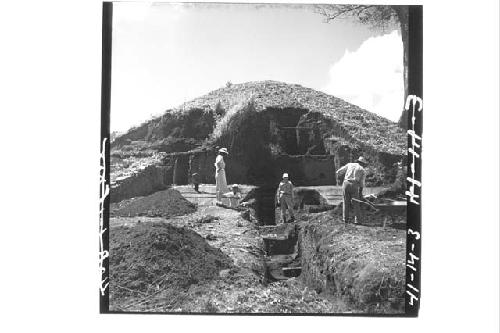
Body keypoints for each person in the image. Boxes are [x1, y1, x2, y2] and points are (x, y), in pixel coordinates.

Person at [336, 156, 368, 224]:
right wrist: (360, 193)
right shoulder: (362, 170)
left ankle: (345, 219)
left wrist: (342, 179)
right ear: (363, 164)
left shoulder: (350, 164)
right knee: (356, 203)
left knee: (345, 202)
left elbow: (338, 172)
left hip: (346, 183)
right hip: (354, 185)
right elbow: (362, 183)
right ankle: (357, 221)